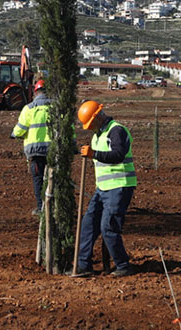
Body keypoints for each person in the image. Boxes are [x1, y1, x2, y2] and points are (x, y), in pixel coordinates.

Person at [74, 100, 137, 278]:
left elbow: (118, 154)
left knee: (108, 227)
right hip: (103, 188)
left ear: (98, 116)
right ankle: (83, 265)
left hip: (119, 186)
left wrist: (94, 154)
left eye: (90, 123)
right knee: (88, 224)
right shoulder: (97, 135)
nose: (89, 128)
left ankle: (123, 265)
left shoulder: (116, 130)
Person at [10, 79, 51, 215]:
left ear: (35, 92)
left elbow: (20, 129)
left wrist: (14, 134)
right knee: (54, 180)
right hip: (53, 151)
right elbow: (69, 127)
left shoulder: (29, 108)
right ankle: (54, 208)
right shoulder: (57, 107)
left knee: (38, 180)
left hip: (36, 152)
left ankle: (41, 209)